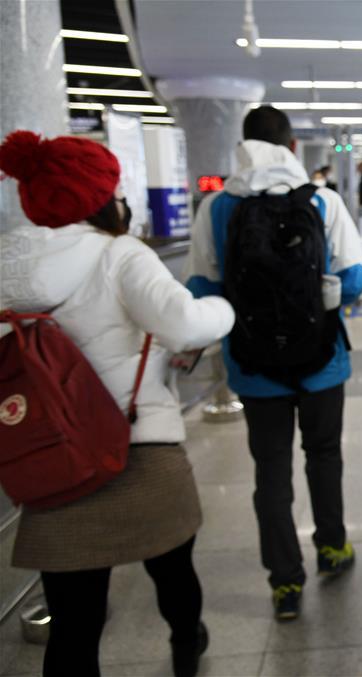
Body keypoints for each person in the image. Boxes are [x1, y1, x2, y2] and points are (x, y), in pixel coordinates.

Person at [0, 130, 235, 677]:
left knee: (74, 622)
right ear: (100, 195)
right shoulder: (120, 253)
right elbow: (183, 323)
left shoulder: (8, 266)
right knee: (174, 575)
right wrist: (221, 309)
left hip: (50, 460)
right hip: (138, 449)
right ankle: (184, 646)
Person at [185, 106, 362, 621]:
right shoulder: (324, 201)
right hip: (322, 362)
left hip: (252, 366)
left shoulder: (217, 208)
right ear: (293, 148)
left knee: (271, 472)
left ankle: (285, 583)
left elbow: (201, 289)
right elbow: (357, 277)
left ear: (240, 149)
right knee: (324, 456)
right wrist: (317, 303)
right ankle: (332, 548)